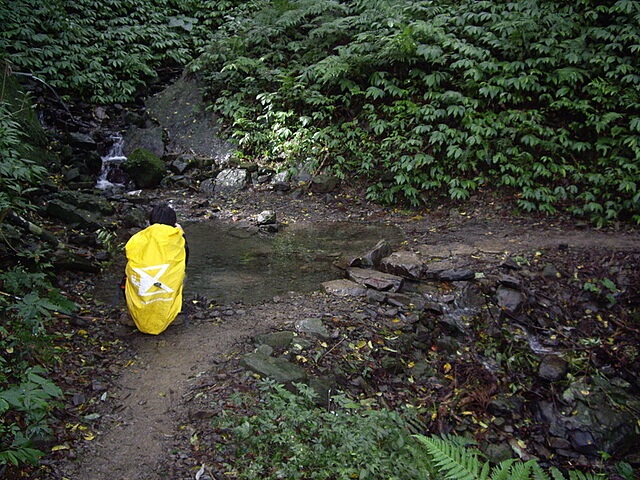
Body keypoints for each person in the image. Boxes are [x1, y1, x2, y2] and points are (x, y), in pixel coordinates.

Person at [122, 203, 188, 334]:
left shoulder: (139, 237)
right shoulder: (177, 238)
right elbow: (185, 262)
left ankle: (134, 314)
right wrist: (182, 233)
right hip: (165, 285)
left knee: (129, 276)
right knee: (180, 274)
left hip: (143, 284)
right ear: (173, 222)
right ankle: (172, 311)